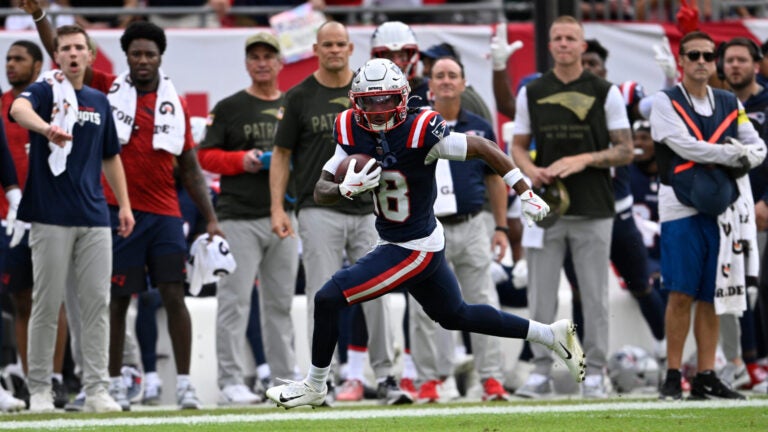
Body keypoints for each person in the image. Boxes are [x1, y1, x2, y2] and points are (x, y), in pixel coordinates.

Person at [265, 57, 585, 409]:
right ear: (356, 103)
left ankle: (315, 384)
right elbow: (320, 189)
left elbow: (485, 148)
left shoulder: (422, 129)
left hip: (412, 246)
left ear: (402, 97)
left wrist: (524, 191)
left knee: (328, 298)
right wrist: (344, 189)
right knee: (455, 315)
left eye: (386, 99)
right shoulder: (349, 128)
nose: (377, 109)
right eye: (369, 101)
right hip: (401, 239)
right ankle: (550, 334)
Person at [269, 21, 408, 406]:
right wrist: (277, 206)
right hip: (319, 207)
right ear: (316, 48)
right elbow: (282, 155)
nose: (334, 50)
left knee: (377, 293)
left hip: (369, 209)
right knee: (321, 294)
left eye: (340, 44)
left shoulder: (372, 92)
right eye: (327, 44)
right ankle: (319, 383)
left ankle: (386, 377)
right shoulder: (299, 96)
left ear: (352, 48)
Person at [9, 24, 134, 413]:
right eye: (66, 48)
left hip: (95, 215)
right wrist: (47, 128)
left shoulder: (98, 99)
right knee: (47, 305)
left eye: (80, 47)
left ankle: (97, 389)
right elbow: (17, 109)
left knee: (97, 303)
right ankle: (41, 390)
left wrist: (125, 206)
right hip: (50, 215)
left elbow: (111, 156)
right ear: (57, 56)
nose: (74, 54)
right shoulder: (46, 90)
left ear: (91, 55)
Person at [510, 15, 634, 399]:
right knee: (540, 297)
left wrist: (583, 160)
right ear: (549, 45)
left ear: (583, 46)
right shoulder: (531, 91)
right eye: (558, 38)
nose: (564, 44)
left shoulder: (605, 91)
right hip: (545, 210)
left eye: (571, 38)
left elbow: (626, 149)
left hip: (594, 207)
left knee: (595, 296)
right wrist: (531, 170)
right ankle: (540, 372)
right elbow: (517, 145)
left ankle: (594, 372)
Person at [650, 30, 765, 400]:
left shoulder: (730, 101)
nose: (701, 62)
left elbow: (756, 145)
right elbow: (685, 147)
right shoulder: (664, 101)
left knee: (712, 295)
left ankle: (706, 373)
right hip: (679, 207)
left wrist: (743, 154)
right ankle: (671, 373)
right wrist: (733, 155)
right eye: (694, 55)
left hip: (720, 206)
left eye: (707, 55)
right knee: (681, 292)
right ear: (680, 61)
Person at [198, 31, 299, 406]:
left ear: (279, 62)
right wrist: (244, 161)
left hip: (284, 215)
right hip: (238, 214)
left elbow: (305, 158)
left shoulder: (293, 105)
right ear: (246, 63)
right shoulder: (229, 107)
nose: (261, 62)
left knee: (281, 303)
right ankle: (229, 380)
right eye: (254, 56)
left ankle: (284, 378)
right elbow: (204, 156)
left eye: (267, 56)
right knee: (234, 301)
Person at [409, 55, 511, 403]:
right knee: (423, 306)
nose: (447, 81)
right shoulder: (414, 124)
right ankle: (429, 380)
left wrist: (500, 226)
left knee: (483, 299)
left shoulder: (480, 127)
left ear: (464, 83)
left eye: (454, 75)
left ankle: (492, 379)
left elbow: (495, 180)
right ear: (430, 84)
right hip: (425, 227)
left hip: (471, 224)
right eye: (440, 75)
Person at [573, 38, 667, 361]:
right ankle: (583, 362)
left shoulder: (618, 97)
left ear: (604, 69)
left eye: (592, 64)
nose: (587, 69)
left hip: (618, 212)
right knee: (580, 291)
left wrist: (670, 80)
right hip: (579, 212)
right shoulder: (553, 98)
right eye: (582, 62)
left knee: (640, 283)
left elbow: (661, 106)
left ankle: (665, 348)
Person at [0, 39, 72, 410]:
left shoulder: (51, 100)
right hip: (9, 216)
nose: (11, 64)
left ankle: (56, 379)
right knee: (21, 301)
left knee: (53, 299)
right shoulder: (0, 105)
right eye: (8, 59)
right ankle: (31, 382)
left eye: (19, 59)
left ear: (38, 64)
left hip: (47, 213)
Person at [720, 36, 768, 391]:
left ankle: (761, 362)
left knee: (762, 287)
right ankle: (743, 363)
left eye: (741, 60)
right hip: (729, 210)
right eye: (730, 60)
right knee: (734, 289)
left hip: (763, 210)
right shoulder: (718, 103)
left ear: (757, 63)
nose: (734, 65)